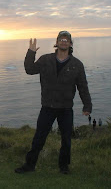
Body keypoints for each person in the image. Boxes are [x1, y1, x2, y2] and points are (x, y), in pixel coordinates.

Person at [15, 31, 92, 175]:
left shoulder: (77, 65)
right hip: (48, 107)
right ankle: (29, 165)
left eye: (66, 40)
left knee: (66, 140)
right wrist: (31, 52)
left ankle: (64, 167)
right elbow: (29, 70)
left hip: (65, 108)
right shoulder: (46, 60)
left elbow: (83, 87)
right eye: (61, 39)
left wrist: (87, 106)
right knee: (39, 138)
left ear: (70, 44)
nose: (63, 42)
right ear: (56, 43)